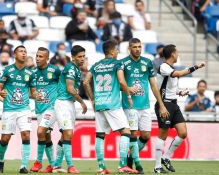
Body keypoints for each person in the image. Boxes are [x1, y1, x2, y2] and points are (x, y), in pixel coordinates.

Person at [83, 39, 139, 174]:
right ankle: (122, 165)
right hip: (112, 104)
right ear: (113, 51)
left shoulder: (96, 65)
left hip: (99, 104)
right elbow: (121, 80)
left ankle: (101, 168)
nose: (118, 52)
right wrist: (129, 94)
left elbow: (85, 82)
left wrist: (93, 100)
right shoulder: (117, 63)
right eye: (117, 50)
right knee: (126, 132)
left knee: (100, 135)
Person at [120, 38, 169, 174]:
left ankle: (130, 157)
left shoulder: (147, 62)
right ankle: (137, 165)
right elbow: (118, 84)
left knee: (146, 136)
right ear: (129, 48)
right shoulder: (123, 63)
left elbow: (153, 85)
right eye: (134, 47)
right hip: (130, 106)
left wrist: (161, 104)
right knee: (133, 134)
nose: (137, 49)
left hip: (145, 105)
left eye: (139, 47)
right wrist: (128, 88)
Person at [154, 44, 205, 173]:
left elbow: (169, 88)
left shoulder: (170, 68)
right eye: (177, 52)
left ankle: (166, 157)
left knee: (183, 133)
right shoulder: (164, 67)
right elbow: (178, 74)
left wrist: (180, 92)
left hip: (174, 104)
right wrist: (196, 67)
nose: (178, 55)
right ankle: (157, 166)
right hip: (164, 104)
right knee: (163, 135)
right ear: (172, 54)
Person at [0, 45, 36, 174]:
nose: (24, 54)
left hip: (24, 109)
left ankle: (23, 166)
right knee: (5, 138)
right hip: (9, 109)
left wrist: (37, 95)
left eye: (25, 51)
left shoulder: (30, 73)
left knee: (26, 135)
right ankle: (1, 161)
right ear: (15, 54)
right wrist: (1, 93)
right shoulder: (6, 70)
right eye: (21, 51)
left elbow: (33, 92)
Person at [53, 45, 87, 174]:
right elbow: (70, 89)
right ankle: (70, 165)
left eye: (84, 56)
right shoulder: (71, 69)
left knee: (65, 135)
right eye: (79, 57)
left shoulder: (77, 70)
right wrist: (82, 102)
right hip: (63, 103)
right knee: (67, 133)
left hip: (69, 104)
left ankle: (56, 165)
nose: (82, 59)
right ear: (73, 57)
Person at [30, 47, 61, 173]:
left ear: (47, 58)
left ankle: (38, 162)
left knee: (40, 131)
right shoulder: (32, 72)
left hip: (52, 108)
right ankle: (52, 165)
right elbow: (30, 89)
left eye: (41, 56)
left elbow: (63, 85)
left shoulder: (55, 71)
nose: (37, 58)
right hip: (39, 108)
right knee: (46, 136)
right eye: (37, 56)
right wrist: (33, 94)